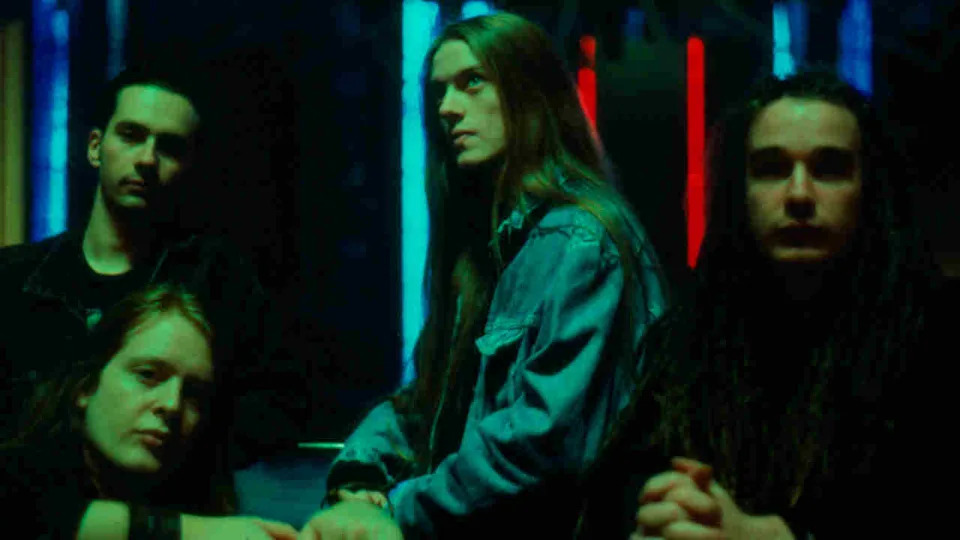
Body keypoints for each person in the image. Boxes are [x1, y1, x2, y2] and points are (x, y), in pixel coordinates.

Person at [298, 12, 667, 539]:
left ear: (528, 91)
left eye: (472, 82)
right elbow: (427, 401)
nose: (447, 108)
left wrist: (392, 509)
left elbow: (538, 443)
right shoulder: (488, 249)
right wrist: (360, 473)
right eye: (439, 91)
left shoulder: (576, 240)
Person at [579, 69, 945, 539]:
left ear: (869, 190)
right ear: (741, 192)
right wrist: (664, 507)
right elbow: (620, 485)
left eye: (829, 169)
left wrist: (769, 535)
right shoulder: (689, 339)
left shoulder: (934, 337)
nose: (799, 195)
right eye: (771, 169)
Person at [0, 63, 304, 466]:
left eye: (170, 147)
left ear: (188, 165)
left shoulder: (216, 280)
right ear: (95, 147)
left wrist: (173, 459)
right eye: (131, 135)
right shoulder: (12, 278)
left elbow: (278, 409)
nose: (146, 159)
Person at [0, 283, 298, 539]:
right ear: (86, 386)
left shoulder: (197, 495)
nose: (172, 404)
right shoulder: (19, 472)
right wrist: (198, 533)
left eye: (193, 393)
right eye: (148, 374)